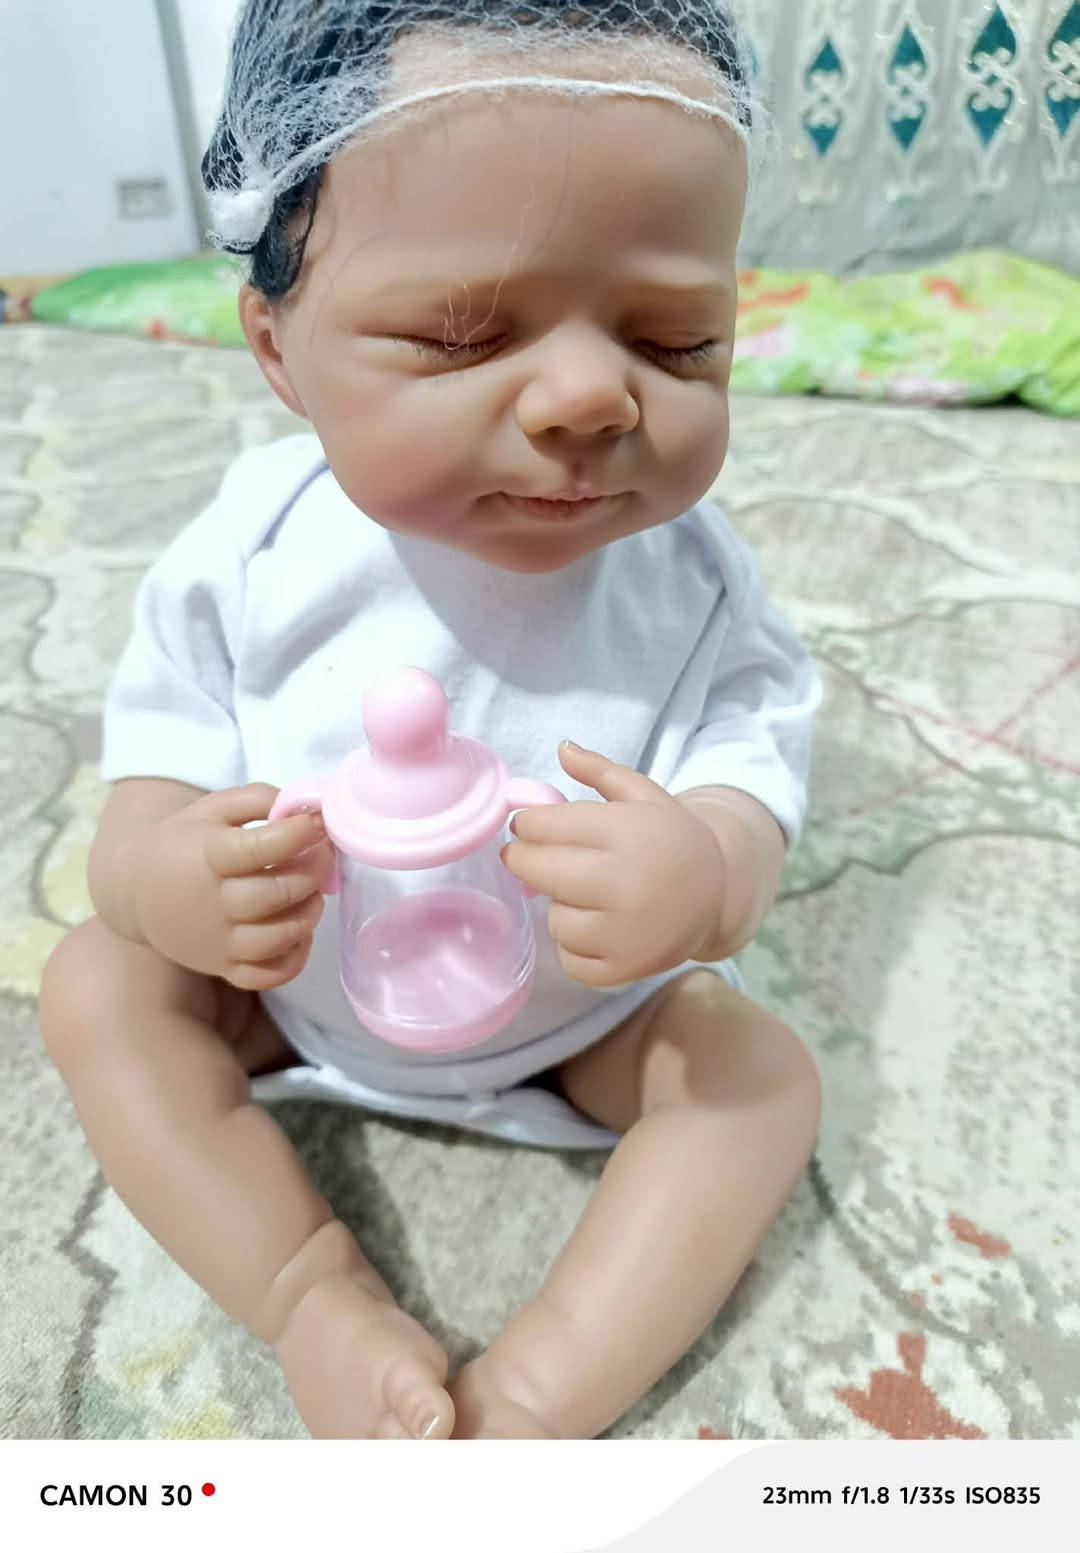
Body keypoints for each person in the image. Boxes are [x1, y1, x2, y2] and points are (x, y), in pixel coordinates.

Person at [39, 0, 822, 1439]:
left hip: (583, 1017)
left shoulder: (694, 584)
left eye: (677, 340)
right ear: (279, 350)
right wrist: (165, 883)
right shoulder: (250, 553)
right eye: (460, 335)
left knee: (759, 1082)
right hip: (292, 991)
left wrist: (706, 873)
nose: (589, 396)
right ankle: (310, 1292)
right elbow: (146, 788)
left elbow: (751, 766)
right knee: (99, 984)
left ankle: (533, 1399)